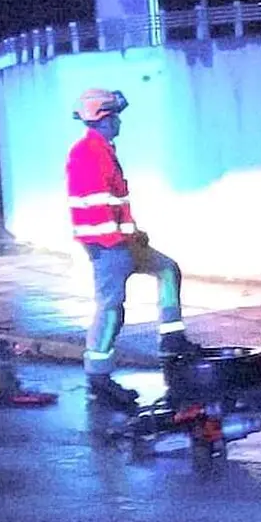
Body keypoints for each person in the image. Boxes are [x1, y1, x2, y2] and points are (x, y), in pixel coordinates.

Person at [66, 88, 201, 411]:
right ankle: (98, 377)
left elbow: (115, 204)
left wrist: (134, 235)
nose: (120, 123)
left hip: (122, 244)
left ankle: (172, 339)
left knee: (168, 269)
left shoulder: (102, 150)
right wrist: (118, 243)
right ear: (103, 119)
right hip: (108, 247)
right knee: (111, 309)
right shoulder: (88, 153)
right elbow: (96, 207)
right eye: (115, 117)